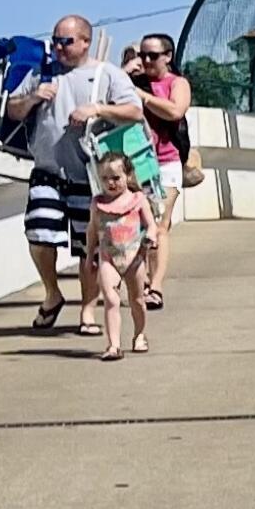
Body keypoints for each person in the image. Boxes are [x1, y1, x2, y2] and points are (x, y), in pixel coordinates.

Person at [6, 15, 149, 331]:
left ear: (85, 41)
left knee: (91, 247)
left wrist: (97, 109)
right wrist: (32, 98)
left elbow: (134, 111)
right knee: (39, 235)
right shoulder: (41, 73)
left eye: (66, 41)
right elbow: (11, 109)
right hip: (47, 170)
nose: (58, 47)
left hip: (90, 174)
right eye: (56, 40)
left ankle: (87, 310)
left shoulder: (106, 74)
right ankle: (52, 293)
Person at [128, 34, 194, 311]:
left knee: (159, 223)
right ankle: (140, 281)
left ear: (168, 56)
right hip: (135, 163)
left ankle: (155, 286)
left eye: (153, 56)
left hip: (166, 161)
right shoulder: (132, 82)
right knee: (138, 227)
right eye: (142, 55)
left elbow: (175, 110)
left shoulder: (176, 83)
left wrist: (143, 96)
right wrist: (124, 75)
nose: (146, 61)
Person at [84, 154, 153, 361]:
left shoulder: (137, 200)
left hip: (134, 258)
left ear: (128, 176)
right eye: (105, 179)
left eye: (115, 178)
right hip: (108, 258)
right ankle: (113, 345)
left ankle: (139, 334)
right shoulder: (98, 203)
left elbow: (151, 225)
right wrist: (89, 256)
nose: (110, 183)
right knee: (111, 300)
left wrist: (150, 237)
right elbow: (92, 230)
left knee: (137, 300)